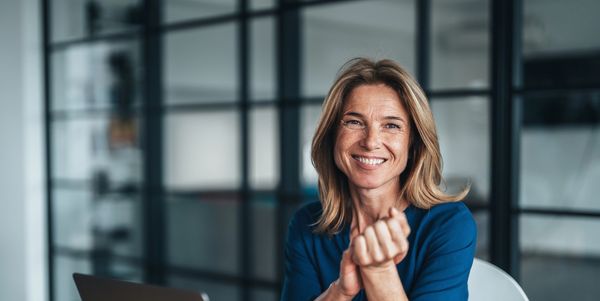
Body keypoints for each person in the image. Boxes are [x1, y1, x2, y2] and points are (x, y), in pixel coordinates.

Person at [280, 58, 477, 301]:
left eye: (391, 126)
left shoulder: (449, 224)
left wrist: (378, 270)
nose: (371, 141)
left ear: (412, 143)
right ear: (332, 136)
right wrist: (341, 291)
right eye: (354, 122)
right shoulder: (306, 224)